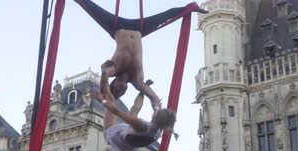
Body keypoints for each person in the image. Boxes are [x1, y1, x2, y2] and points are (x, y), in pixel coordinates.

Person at [74, 0, 208, 109]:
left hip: (116, 26)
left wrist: (104, 83)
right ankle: (192, 7)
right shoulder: (136, 80)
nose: (122, 91)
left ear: (113, 85)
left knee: (90, 7)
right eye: (122, 93)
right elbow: (154, 98)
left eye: (117, 91)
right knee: (167, 15)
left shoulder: (114, 70)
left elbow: (104, 86)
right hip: (140, 28)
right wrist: (158, 112)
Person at [93, 74, 176, 151]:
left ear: (155, 118)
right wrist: (144, 89)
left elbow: (117, 112)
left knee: (111, 101)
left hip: (115, 136)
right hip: (130, 139)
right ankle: (117, 91)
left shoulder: (142, 126)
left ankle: (110, 89)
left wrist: (102, 100)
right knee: (133, 113)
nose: (155, 111)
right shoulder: (159, 130)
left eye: (157, 113)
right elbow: (149, 107)